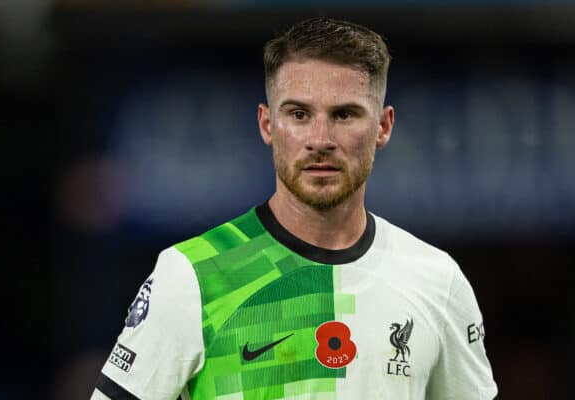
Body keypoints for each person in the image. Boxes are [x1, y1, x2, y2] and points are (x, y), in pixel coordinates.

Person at [91, 17, 497, 400]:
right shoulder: (195, 275)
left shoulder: (438, 281)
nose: (321, 138)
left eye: (344, 114)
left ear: (383, 127)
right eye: (300, 114)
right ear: (267, 124)